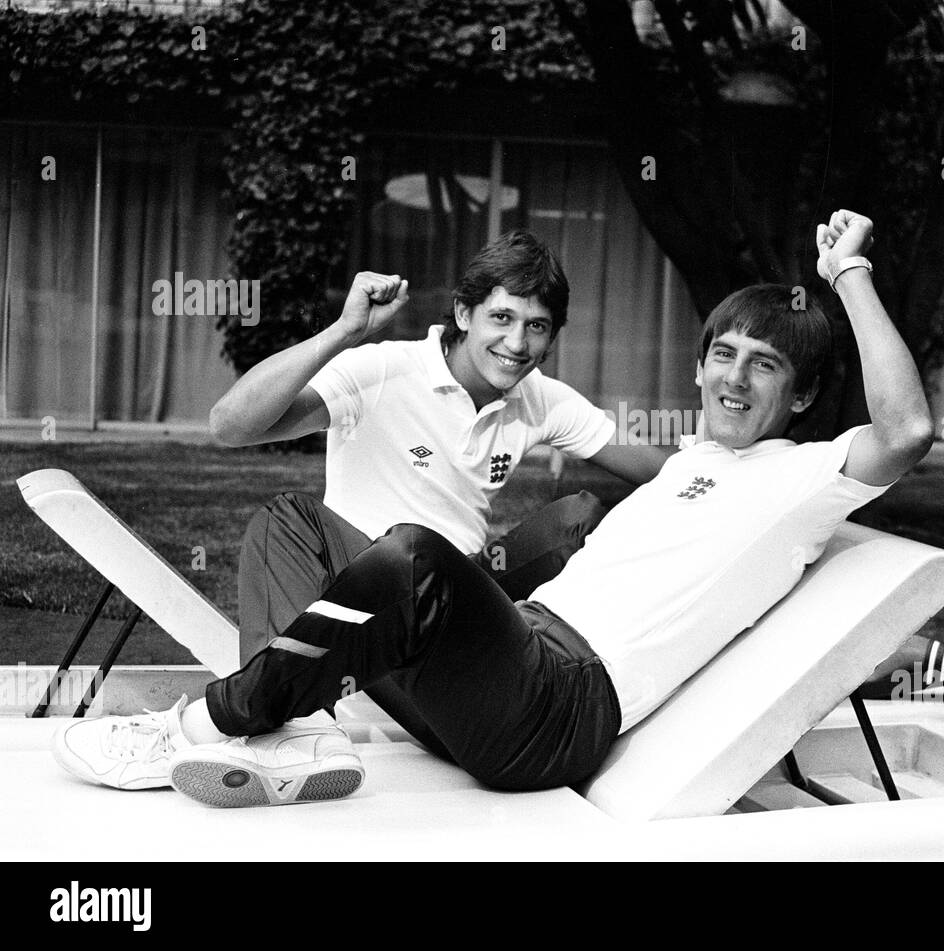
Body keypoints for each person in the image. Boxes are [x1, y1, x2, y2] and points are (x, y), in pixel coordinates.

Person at [52, 210, 944, 805]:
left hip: (558, 706)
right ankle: (284, 726)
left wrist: (848, 276)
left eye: (767, 364)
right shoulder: (694, 463)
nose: (736, 377)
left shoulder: (805, 477)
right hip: (517, 656)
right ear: (700, 366)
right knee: (330, 535)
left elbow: (905, 430)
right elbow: (232, 425)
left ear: (804, 392)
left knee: (414, 554)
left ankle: (198, 727)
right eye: (725, 355)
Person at [208, 230, 672, 752]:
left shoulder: (540, 399)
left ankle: (578, 671)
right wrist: (343, 332)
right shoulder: (382, 369)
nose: (517, 344)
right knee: (288, 518)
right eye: (502, 318)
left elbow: (664, 474)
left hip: (462, 594)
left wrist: (758, 461)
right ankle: (283, 726)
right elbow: (230, 426)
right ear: (464, 313)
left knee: (579, 518)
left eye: (536, 327)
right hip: (369, 595)